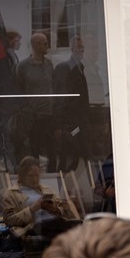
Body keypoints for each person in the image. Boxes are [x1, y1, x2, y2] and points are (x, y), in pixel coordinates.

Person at [15, 32, 56, 171]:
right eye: (43, 43)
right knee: (34, 148)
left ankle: (52, 175)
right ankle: (34, 176)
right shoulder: (23, 66)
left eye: (46, 42)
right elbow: (18, 89)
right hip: (33, 115)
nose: (46, 45)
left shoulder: (49, 64)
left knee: (51, 147)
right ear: (35, 45)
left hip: (49, 114)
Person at [53, 35, 90, 172]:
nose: (81, 50)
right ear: (72, 48)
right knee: (67, 154)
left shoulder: (80, 68)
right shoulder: (65, 68)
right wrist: (60, 125)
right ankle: (63, 183)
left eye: (82, 47)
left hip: (78, 122)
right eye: (79, 47)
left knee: (76, 154)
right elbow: (60, 97)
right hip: (68, 122)